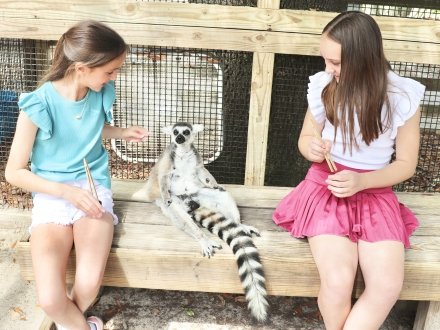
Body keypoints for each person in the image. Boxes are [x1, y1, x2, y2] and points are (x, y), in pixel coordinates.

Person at [272, 11, 425, 330]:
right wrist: (311, 148)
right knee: (339, 280)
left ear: (364, 59)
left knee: (386, 285)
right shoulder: (324, 86)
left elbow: (406, 165)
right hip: (325, 191)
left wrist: (362, 181)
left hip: (374, 194)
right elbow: (305, 138)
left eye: (336, 62)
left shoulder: (401, 97)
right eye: (325, 59)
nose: (328, 69)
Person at [5, 20, 148, 330]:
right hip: (53, 195)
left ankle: (73, 323)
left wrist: (121, 133)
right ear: (82, 68)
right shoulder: (37, 104)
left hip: (93, 187)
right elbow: (14, 172)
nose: (115, 76)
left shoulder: (99, 93)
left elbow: (87, 131)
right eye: (110, 71)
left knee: (87, 282)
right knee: (51, 301)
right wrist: (67, 192)